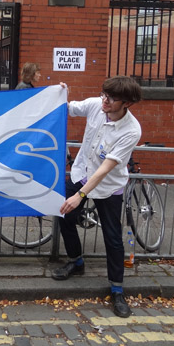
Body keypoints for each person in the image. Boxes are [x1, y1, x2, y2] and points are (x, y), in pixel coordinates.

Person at [52, 76, 142, 318]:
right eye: (104, 94)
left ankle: (117, 289)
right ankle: (76, 261)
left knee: (112, 237)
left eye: (111, 98)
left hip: (108, 186)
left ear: (127, 103)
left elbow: (105, 169)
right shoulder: (96, 105)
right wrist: (59, 92)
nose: (105, 101)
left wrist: (80, 196)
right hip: (82, 172)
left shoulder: (131, 130)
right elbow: (67, 108)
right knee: (64, 215)